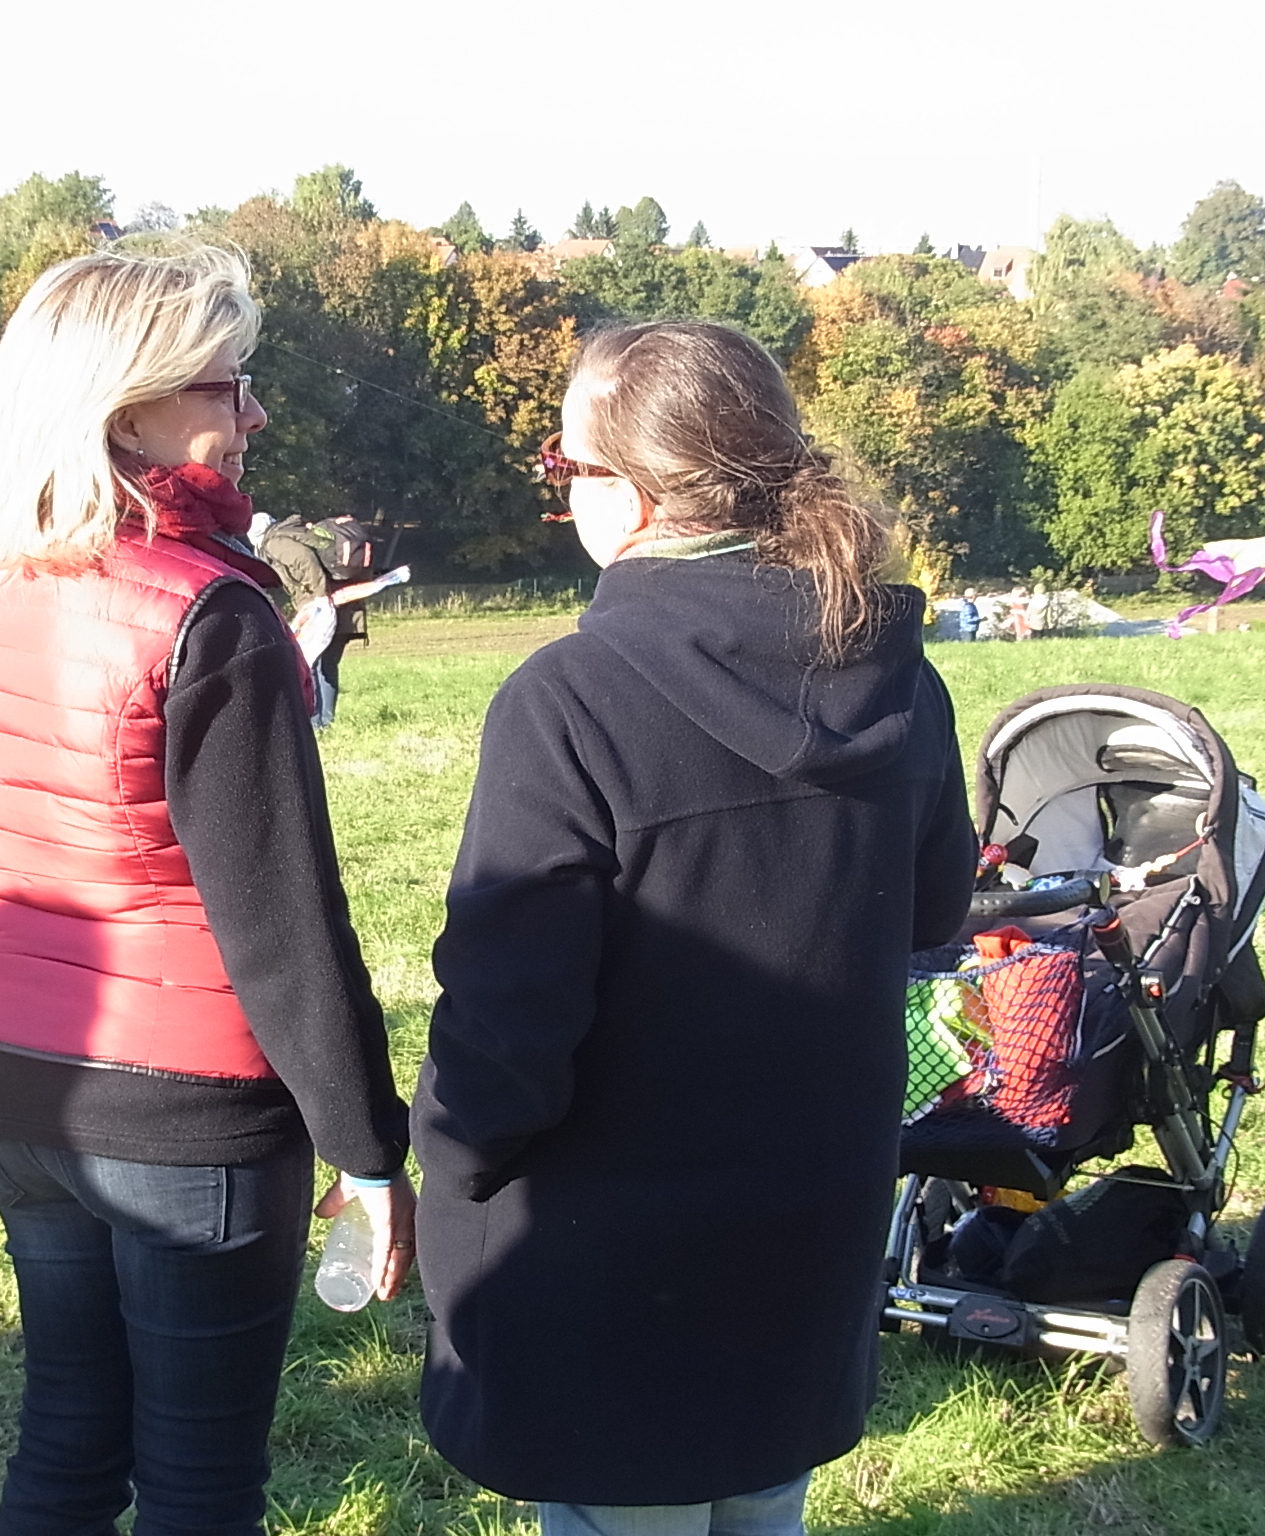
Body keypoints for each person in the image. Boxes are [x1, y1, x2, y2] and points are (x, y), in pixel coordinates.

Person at [410, 320, 976, 1536]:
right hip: (809, 1221)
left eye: (564, 468)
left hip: (605, 1251)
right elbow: (934, 915)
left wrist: (446, 1164)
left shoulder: (567, 698)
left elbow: (506, 1021)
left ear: (631, 492)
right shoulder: (895, 675)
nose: (561, 494)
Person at [0, 245, 414, 1536]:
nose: (256, 415)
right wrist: (367, 1146)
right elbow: (282, 919)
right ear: (128, 412)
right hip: (190, 1104)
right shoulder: (210, 613)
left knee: (65, 1446)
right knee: (198, 1482)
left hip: (18, 1076)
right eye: (229, 386)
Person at [258, 514, 382, 727]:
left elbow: (306, 561)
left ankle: (315, 722)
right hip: (344, 606)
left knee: (310, 664)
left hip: (321, 609)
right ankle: (325, 721)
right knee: (327, 666)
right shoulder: (298, 533)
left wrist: (320, 600)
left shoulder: (276, 541)